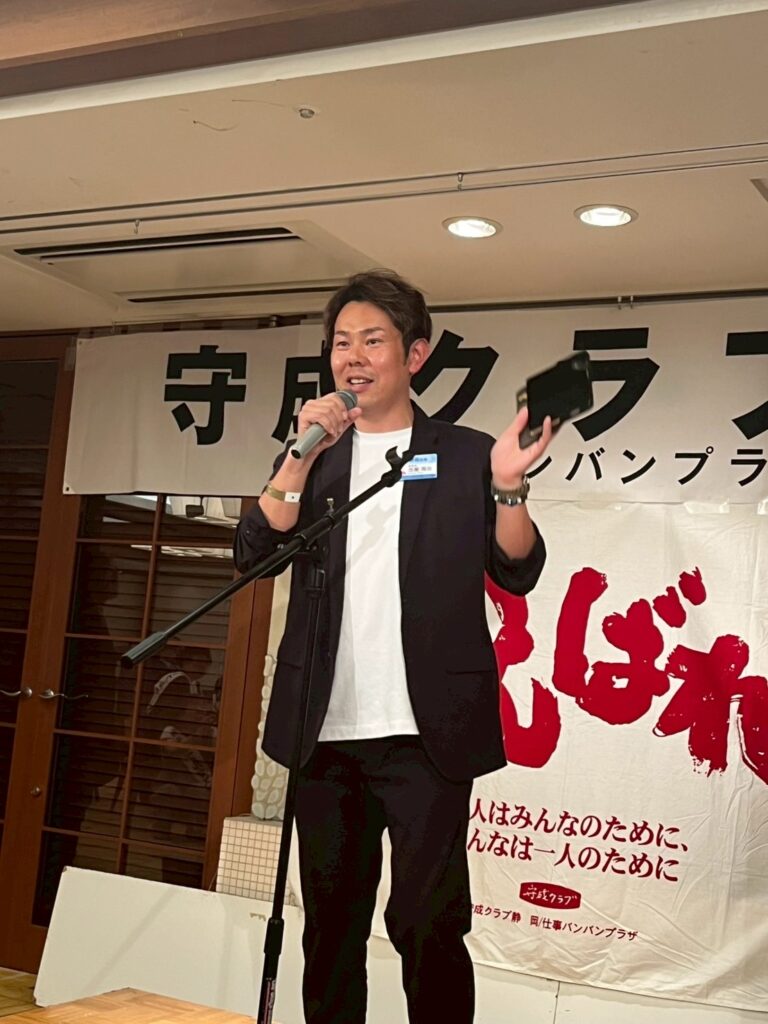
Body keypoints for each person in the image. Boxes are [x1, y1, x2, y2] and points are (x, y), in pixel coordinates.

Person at [234, 270, 553, 1024]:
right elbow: (254, 554)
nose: (353, 357)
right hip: (324, 734)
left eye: (372, 341)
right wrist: (298, 456)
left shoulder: (465, 453)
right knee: (330, 929)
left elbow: (518, 567)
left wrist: (508, 486)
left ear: (415, 355)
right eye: (341, 343)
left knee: (427, 925)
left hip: (424, 736)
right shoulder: (316, 459)